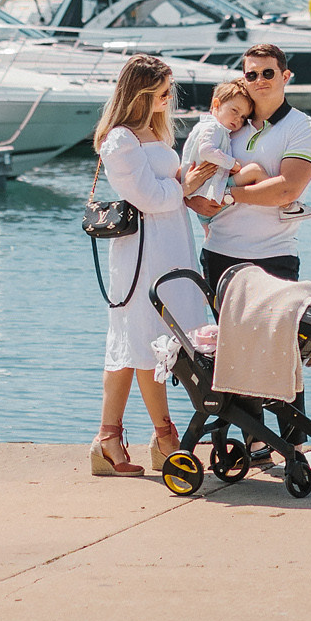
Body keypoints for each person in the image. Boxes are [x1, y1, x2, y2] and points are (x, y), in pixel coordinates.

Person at [90, 55, 215, 477]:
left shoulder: (151, 134)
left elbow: (165, 194)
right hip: (143, 255)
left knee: (134, 343)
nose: (169, 97)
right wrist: (187, 185)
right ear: (141, 94)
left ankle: (109, 439)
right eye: (162, 91)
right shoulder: (121, 140)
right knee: (148, 342)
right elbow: (148, 197)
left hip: (168, 247)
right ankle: (165, 437)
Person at [190, 42, 311, 291]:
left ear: (285, 76)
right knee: (224, 331)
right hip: (218, 253)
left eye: (268, 73)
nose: (260, 79)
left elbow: (286, 191)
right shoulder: (229, 125)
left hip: (273, 256)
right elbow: (195, 171)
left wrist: (224, 196)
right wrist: (190, 198)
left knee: (273, 331)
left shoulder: (303, 127)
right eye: (252, 74)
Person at [182, 79, 267, 209]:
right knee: (255, 171)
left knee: (208, 228)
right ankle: (282, 204)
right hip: (207, 190)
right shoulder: (214, 127)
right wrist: (232, 164)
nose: (238, 119)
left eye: (243, 117)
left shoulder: (205, 126)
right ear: (216, 104)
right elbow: (206, 151)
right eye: (234, 110)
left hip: (201, 192)